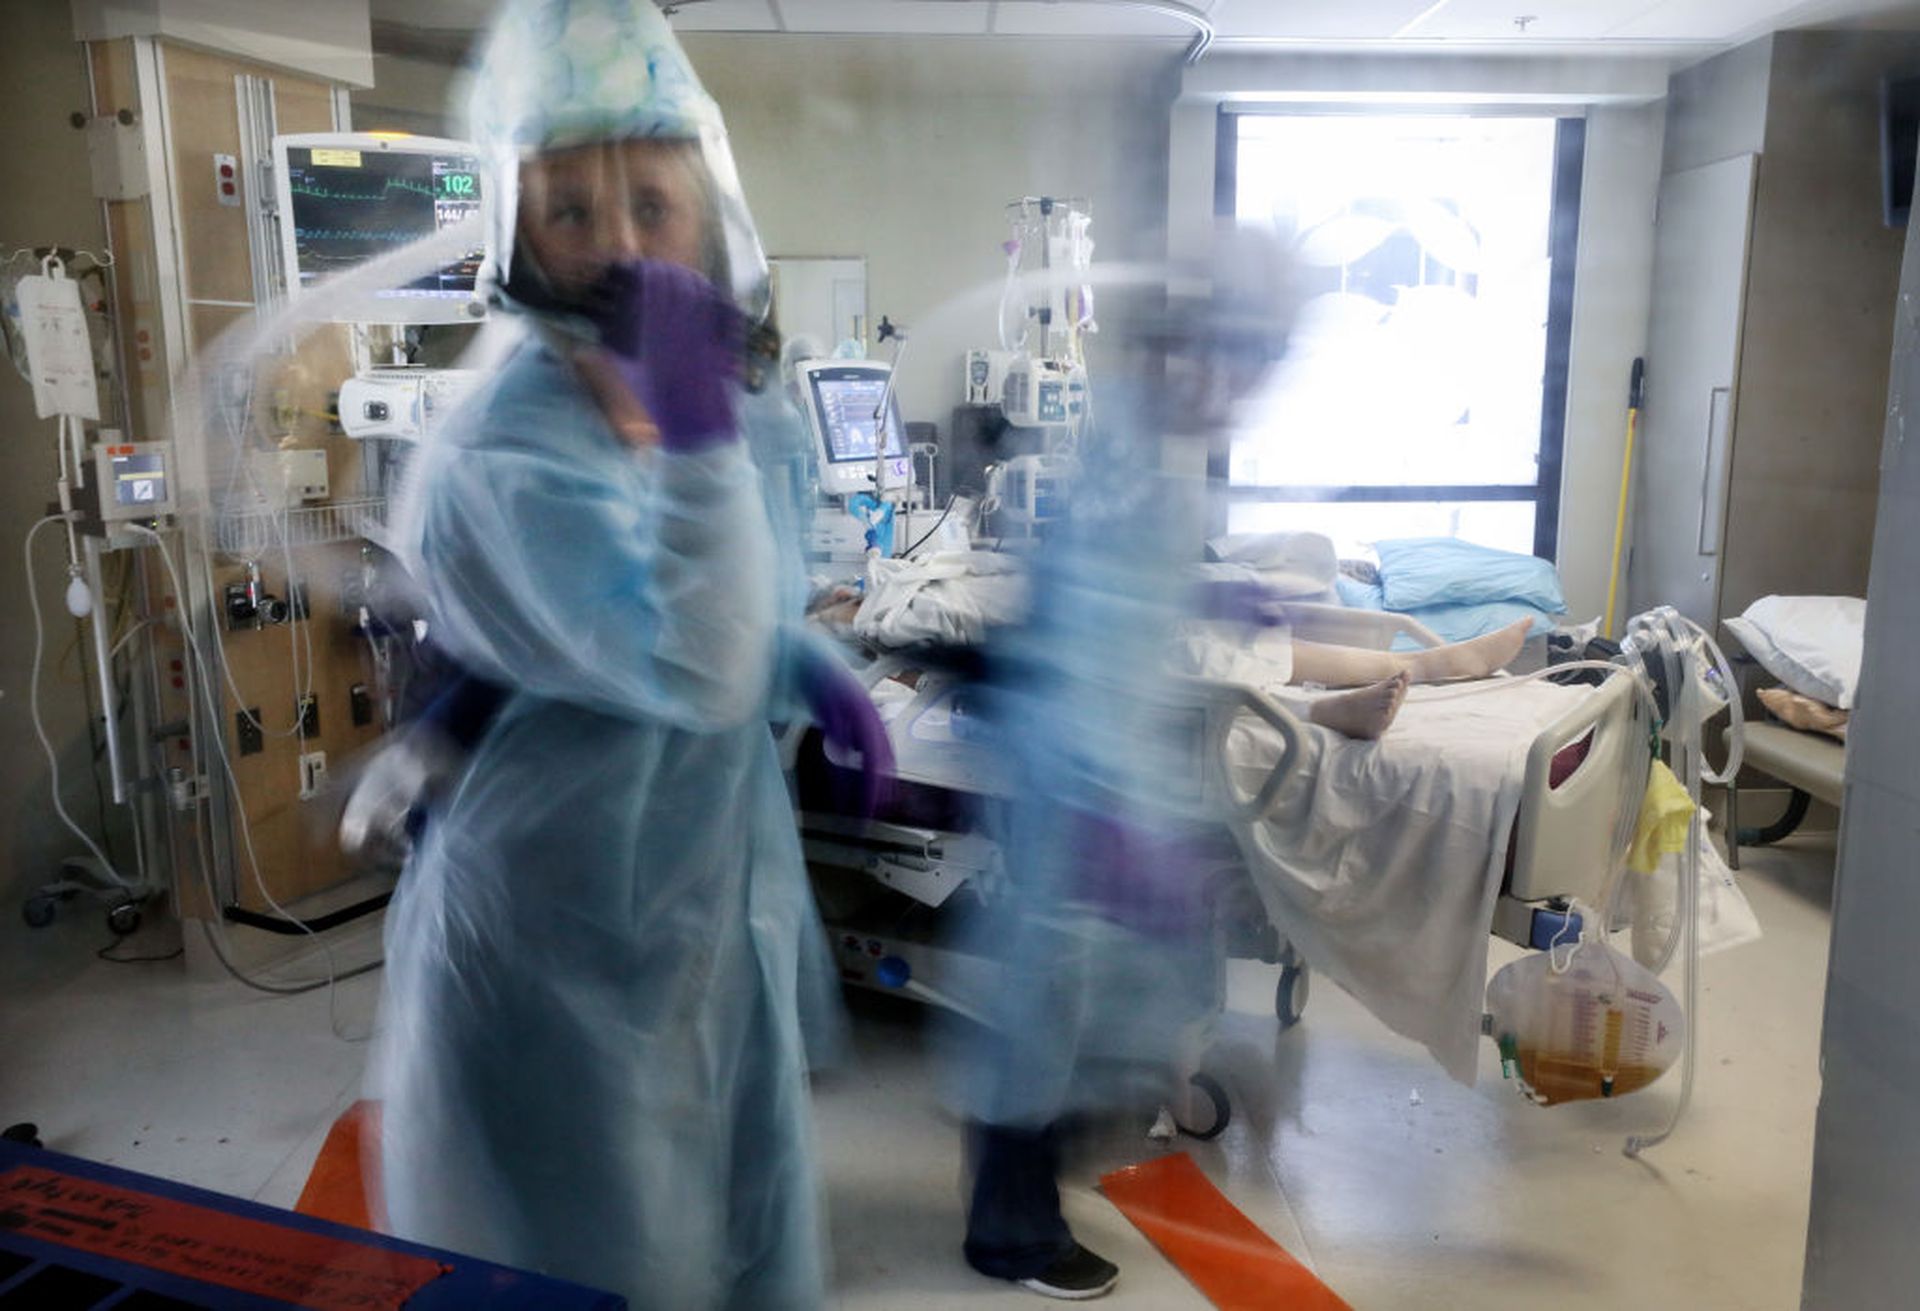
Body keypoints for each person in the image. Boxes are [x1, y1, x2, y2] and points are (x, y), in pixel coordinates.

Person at [367, 3, 888, 1307]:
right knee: (598, 1263)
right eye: (571, 213)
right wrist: (700, 446)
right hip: (552, 946)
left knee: (737, 1231)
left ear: (709, 218)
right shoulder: (505, 453)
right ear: (516, 239)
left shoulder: (743, 418)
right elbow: (689, 665)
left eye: (651, 205)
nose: (618, 248)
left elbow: (734, 618)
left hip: (697, 925)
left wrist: (802, 666)